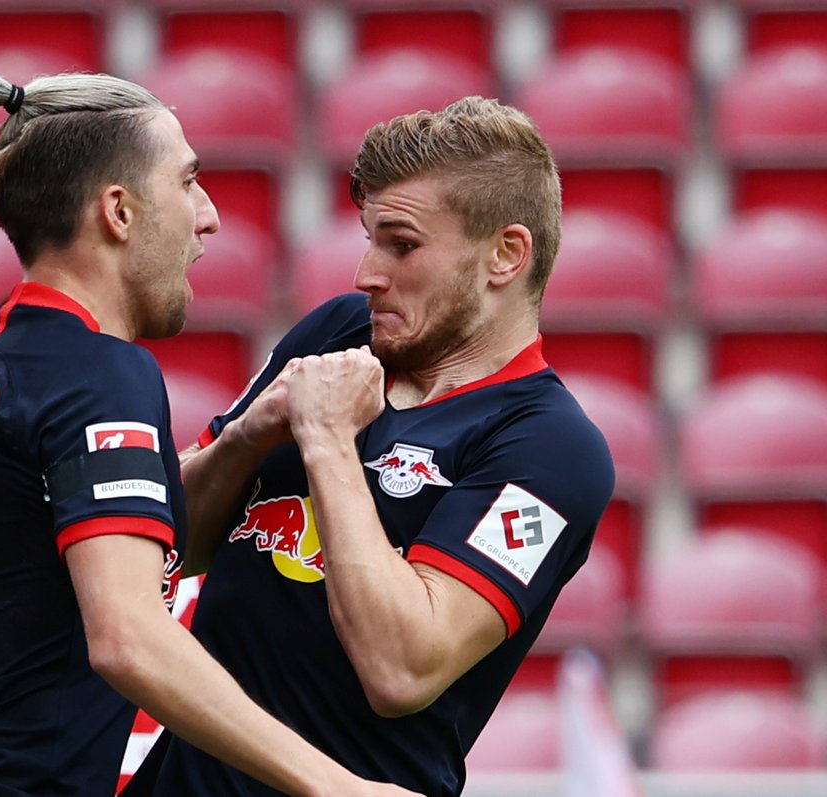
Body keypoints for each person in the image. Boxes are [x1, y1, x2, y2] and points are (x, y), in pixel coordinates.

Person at [0, 65, 419, 797]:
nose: (208, 216)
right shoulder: (100, 373)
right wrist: (339, 787)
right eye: (187, 182)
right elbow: (128, 636)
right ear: (120, 211)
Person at [130, 96, 616, 796]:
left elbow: (402, 668)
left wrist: (326, 440)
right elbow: (170, 546)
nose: (366, 274)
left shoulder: (552, 448)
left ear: (506, 254)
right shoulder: (336, 332)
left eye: (402, 245)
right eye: (368, 239)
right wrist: (246, 438)